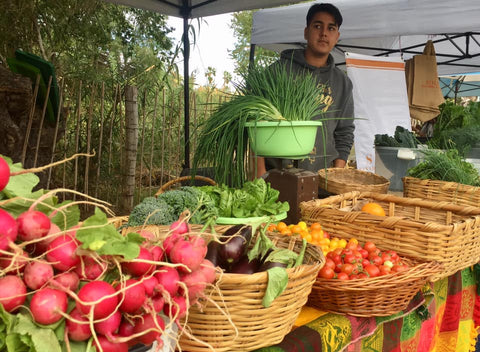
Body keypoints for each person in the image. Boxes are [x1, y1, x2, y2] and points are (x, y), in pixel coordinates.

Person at [255, 3, 355, 178]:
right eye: (317, 26)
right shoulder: (278, 72)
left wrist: (337, 173)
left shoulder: (342, 83)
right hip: (277, 175)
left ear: (337, 36)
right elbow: (255, 122)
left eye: (331, 28)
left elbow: (344, 132)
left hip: (323, 178)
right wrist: (260, 171)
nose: (324, 33)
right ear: (306, 32)